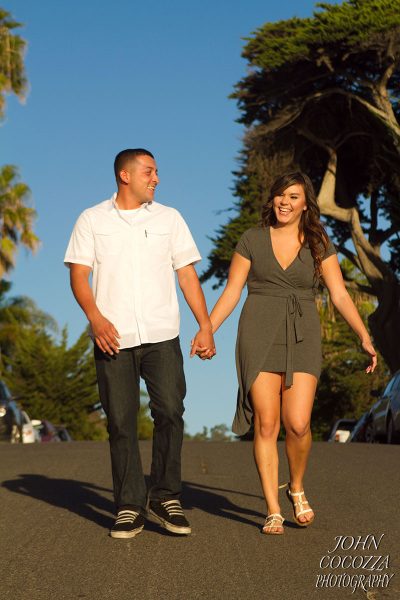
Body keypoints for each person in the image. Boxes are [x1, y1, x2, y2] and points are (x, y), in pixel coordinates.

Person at [195, 172, 377, 534]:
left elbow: (339, 293)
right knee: (267, 423)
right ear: (272, 199)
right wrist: (207, 329)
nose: (285, 202)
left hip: (303, 333)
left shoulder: (318, 241)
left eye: (293, 197)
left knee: (298, 423)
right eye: (280, 195)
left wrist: (363, 335)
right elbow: (232, 290)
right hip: (257, 331)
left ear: (305, 204)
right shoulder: (252, 239)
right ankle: (273, 508)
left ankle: (296, 486)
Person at [64, 148, 215, 539]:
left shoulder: (170, 218)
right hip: (112, 338)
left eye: (157, 171)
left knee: (170, 411)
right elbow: (80, 276)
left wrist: (205, 325)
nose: (157, 179)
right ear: (124, 175)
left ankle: (165, 497)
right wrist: (95, 320)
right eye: (149, 171)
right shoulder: (92, 220)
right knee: (120, 422)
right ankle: (129, 506)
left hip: (162, 336)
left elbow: (186, 276)